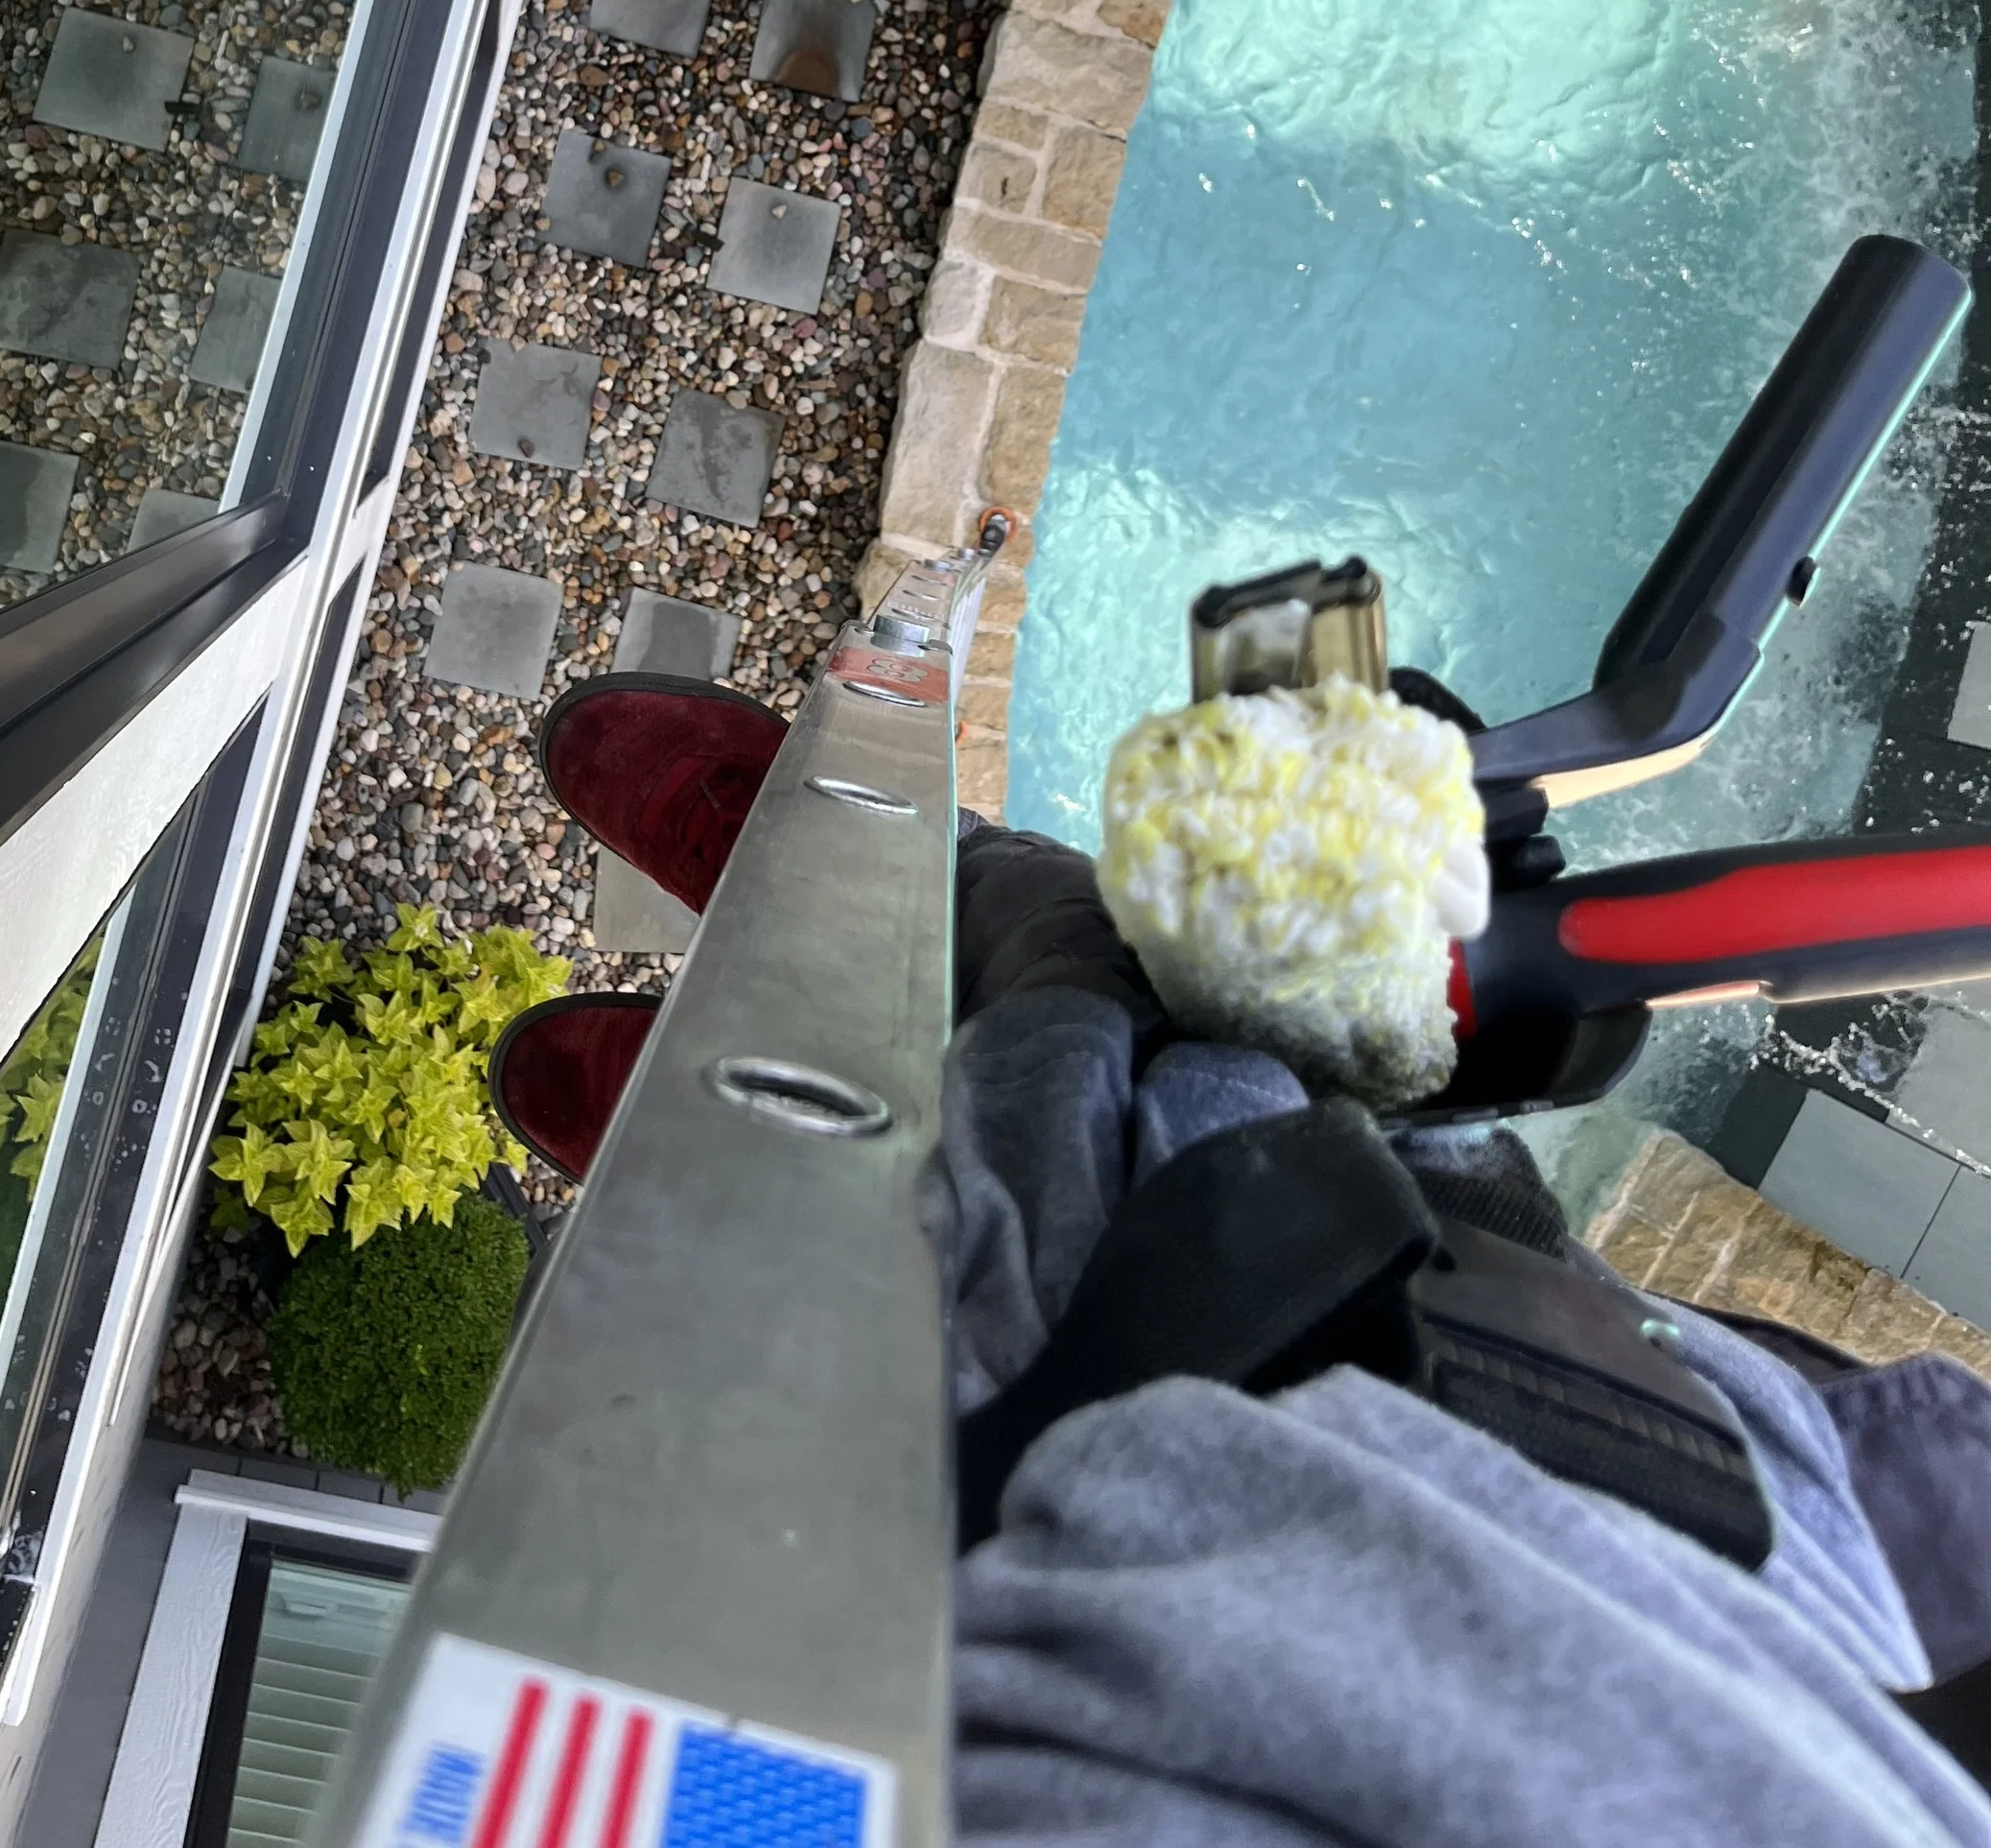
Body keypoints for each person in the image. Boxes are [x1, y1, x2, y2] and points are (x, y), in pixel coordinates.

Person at [488, 678, 1991, 1847]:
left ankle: (763, 1120)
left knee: (1008, 1128)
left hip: (949, 1606)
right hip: (1615, 1456)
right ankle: (873, 913)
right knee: (1097, 993)